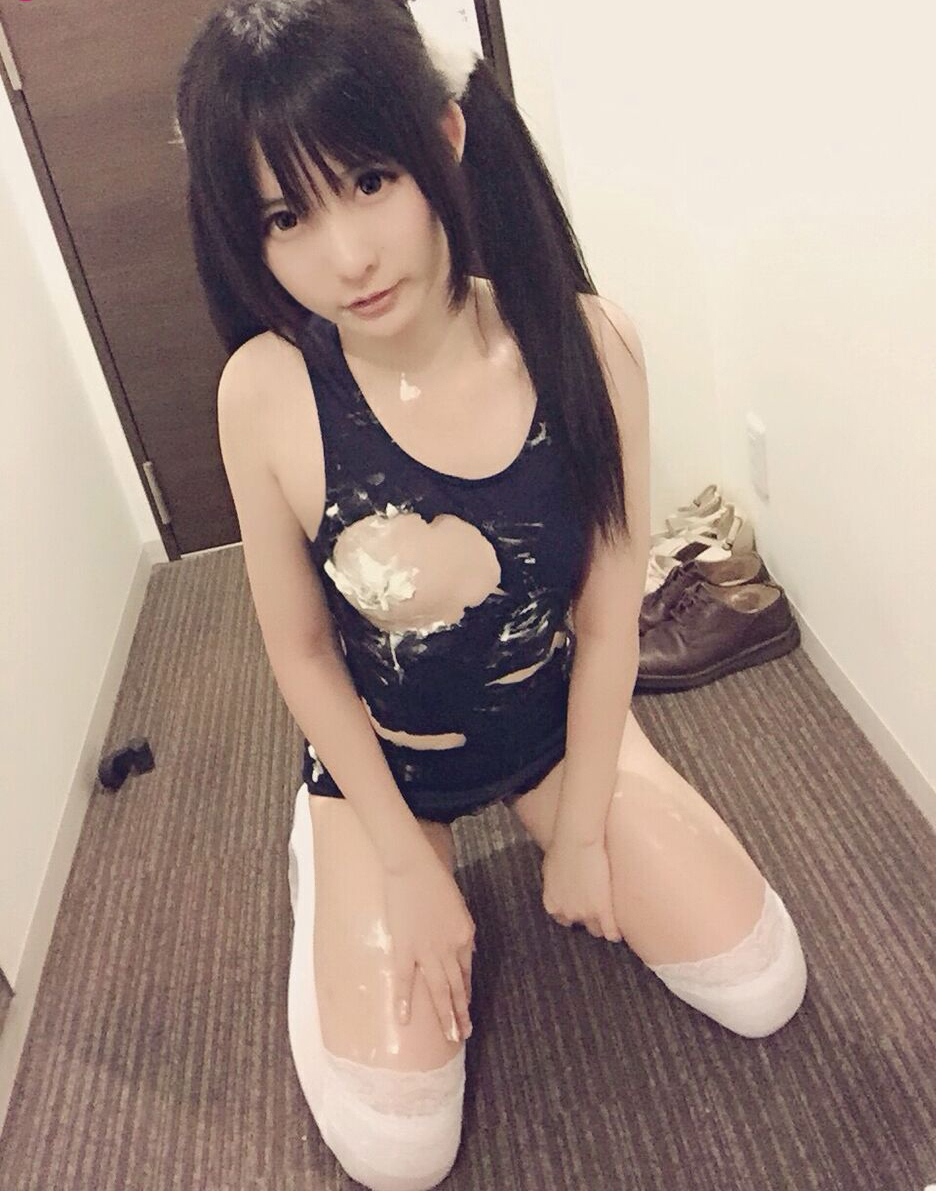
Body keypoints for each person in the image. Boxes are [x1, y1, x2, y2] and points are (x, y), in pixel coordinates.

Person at [175, 2, 808, 1187]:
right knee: (400, 1149)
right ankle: (326, 855)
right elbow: (302, 655)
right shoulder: (266, 392)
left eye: (370, 180)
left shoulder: (587, 344)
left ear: (444, 140)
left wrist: (583, 833)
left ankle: (586, 798)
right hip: (387, 768)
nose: (347, 257)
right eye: (286, 217)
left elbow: (608, 618)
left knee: (764, 983)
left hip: (555, 732)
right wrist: (406, 867)